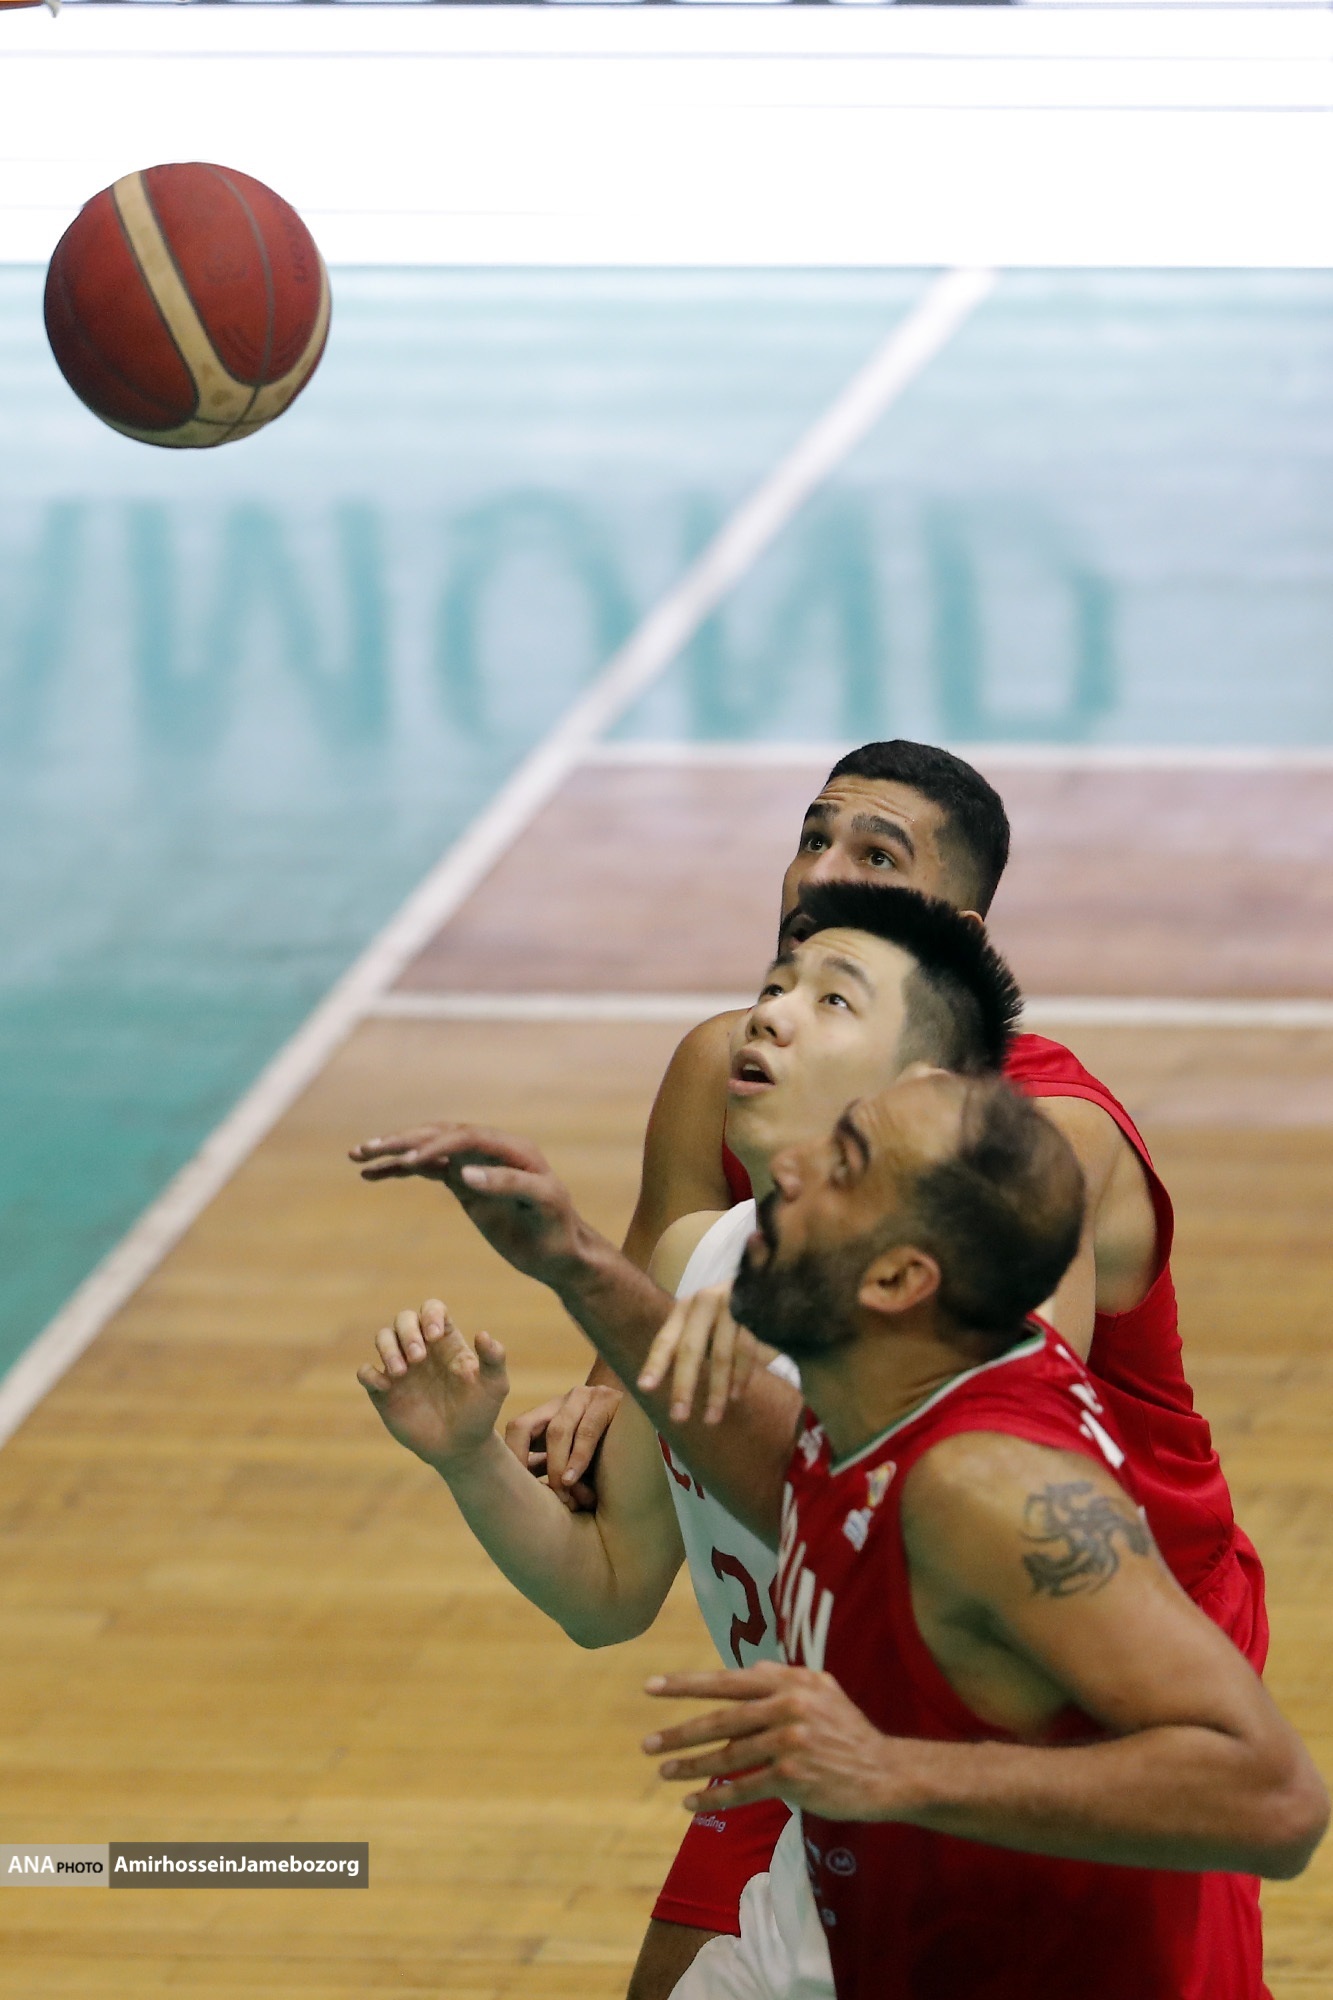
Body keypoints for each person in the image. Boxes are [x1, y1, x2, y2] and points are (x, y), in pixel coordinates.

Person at [355, 885, 1022, 1997]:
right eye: (773, 985)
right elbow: (606, 1589)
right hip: (818, 1861)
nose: (768, 1013)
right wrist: (468, 1455)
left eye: (832, 1000)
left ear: (921, 1092)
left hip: (980, 1874)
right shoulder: (698, 1258)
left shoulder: (959, 1324)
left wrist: (577, 1262)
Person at [637, 1074, 1326, 2000]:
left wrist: (886, 1768)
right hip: (870, 1881)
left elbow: (1277, 1800)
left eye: (841, 1164)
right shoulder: (882, 1383)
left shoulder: (992, 1492)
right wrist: (570, 1262)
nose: (789, 1169)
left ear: (898, 1278)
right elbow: (770, 1477)